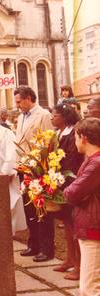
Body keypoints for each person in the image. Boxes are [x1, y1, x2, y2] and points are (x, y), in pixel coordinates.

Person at [14, 86, 54, 262]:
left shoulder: (44, 115)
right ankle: (34, 244)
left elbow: (48, 143)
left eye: (19, 101)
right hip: (25, 169)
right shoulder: (21, 117)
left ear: (29, 98)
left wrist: (43, 167)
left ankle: (46, 248)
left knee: (42, 210)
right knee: (29, 208)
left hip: (39, 169)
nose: (17, 105)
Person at [64, 118, 100, 295]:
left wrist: (71, 192)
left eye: (76, 137)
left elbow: (72, 193)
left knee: (89, 287)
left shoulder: (96, 163)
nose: (75, 142)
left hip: (94, 227)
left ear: (84, 138)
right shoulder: (93, 160)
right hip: (91, 224)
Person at [50, 103, 83, 280]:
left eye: (54, 115)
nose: (51, 118)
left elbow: (71, 159)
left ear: (64, 117)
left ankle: (79, 265)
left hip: (70, 180)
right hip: (60, 181)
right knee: (66, 224)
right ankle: (69, 259)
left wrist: (61, 179)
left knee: (74, 224)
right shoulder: (57, 133)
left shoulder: (72, 133)